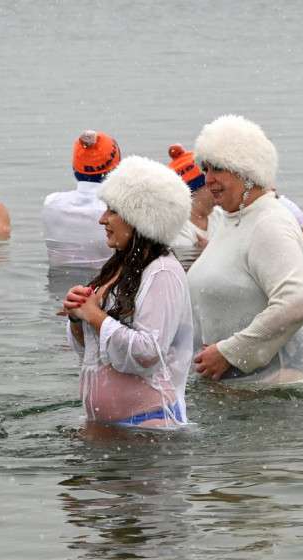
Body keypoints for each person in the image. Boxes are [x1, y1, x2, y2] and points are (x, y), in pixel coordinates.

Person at [62, 155, 192, 428]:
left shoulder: (163, 271)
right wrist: (77, 317)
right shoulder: (118, 267)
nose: (102, 219)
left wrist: (95, 315)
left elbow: (149, 353)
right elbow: (92, 349)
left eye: (112, 210)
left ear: (140, 218)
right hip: (109, 428)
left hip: (148, 427)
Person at [187, 114, 303, 384]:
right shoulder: (233, 219)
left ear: (247, 172)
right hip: (237, 392)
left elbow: (296, 303)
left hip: (274, 391)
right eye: (205, 169)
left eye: (218, 169)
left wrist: (228, 353)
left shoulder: (270, 223)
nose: (207, 179)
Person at [43, 130, 120, 268]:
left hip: (57, 287)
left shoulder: (51, 203)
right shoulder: (120, 211)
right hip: (104, 287)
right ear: (116, 169)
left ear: (75, 167)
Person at [166, 144, 215, 249]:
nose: (217, 188)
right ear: (192, 192)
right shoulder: (177, 228)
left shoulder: (220, 215)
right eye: (210, 185)